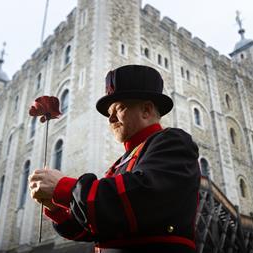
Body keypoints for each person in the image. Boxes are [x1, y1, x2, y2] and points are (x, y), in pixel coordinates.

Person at [29, 65, 201, 253]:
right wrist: (55, 208)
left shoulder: (174, 142)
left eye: (118, 108)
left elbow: (140, 197)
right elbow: (95, 227)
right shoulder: (119, 164)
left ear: (146, 110)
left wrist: (63, 187)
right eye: (108, 113)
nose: (110, 119)